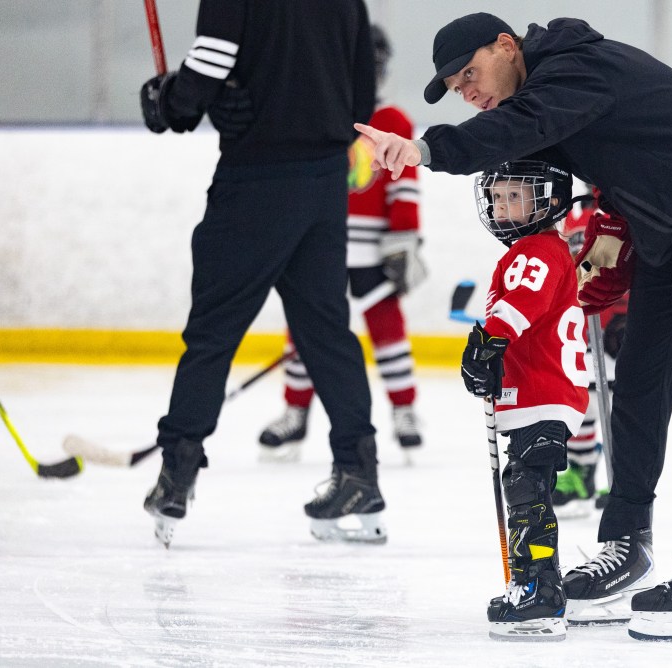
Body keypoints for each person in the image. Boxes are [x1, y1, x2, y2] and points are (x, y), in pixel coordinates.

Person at [356, 13, 672, 640]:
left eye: (470, 74)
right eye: (456, 88)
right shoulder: (548, 95)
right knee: (638, 384)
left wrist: (421, 149)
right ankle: (628, 547)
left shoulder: (576, 68)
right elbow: (544, 160)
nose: (468, 93)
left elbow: (517, 127)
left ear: (508, 47)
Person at [138, 0, 386, 547]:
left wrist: (171, 102)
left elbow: (210, 62)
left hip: (256, 179)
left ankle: (177, 473)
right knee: (325, 331)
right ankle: (358, 473)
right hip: (324, 181)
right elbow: (361, 89)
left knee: (213, 331)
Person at [258, 24, 426, 463]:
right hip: (321, 248)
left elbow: (403, 186)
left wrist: (403, 239)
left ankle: (405, 411)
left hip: (374, 252)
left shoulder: (393, 121)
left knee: (389, 332)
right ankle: (294, 414)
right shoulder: (316, 114)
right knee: (304, 334)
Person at [461, 155, 588, 640]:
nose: (502, 207)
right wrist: (494, 360)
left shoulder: (538, 248)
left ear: (550, 201)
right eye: (496, 197)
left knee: (528, 492)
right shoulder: (536, 250)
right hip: (539, 392)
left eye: (515, 196)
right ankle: (532, 584)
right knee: (524, 488)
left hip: (544, 392)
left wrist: (487, 343)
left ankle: (541, 590)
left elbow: (520, 306)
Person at [551, 190, 628, 519]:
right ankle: (582, 472)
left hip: (617, 330)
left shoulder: (627, 207)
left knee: (615, 409)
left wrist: (627, 316)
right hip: (577, 328)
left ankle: (623, 482)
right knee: (581, 404)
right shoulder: (569, 212)